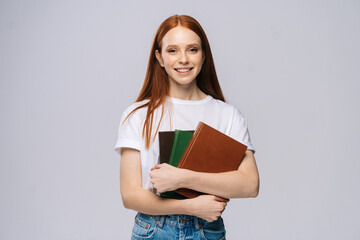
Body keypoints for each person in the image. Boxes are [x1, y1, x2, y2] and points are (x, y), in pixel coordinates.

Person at [114, 14, 259, 240]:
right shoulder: (138, 115)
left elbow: (249, 184)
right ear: (159, 58)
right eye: (172, 50)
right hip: (154, 230)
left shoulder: (228, 115)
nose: (183, 59)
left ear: (203, 56)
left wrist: (182, 178)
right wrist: (191, 207)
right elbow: (130, 195)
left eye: (192, 49)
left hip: (207, 230)